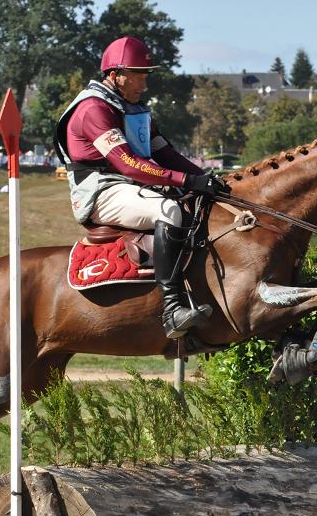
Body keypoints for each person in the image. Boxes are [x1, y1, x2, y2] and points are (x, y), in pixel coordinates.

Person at [54, 36, 228, 339]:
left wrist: (207, 179)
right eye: (138, 75)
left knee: (199, 207)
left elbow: (165, 154)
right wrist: (188, 181)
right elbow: (128, 165)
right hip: (101, 190)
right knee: (170, 211)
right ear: (115, 75)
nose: (144, 83)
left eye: (145, 75)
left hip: (130, 184)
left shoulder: (134, 108)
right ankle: (172, 309)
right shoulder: (93, 109)